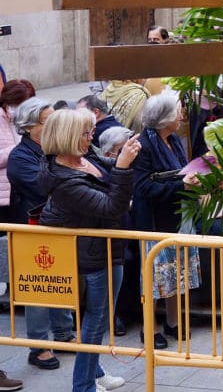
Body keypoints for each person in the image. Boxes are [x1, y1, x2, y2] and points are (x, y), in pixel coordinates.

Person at [39, 108, 142, 392]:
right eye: (87, 133)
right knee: (96, 319)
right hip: (93, 254)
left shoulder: (83, 158)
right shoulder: (63, 178)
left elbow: (111, 174)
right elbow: (112, 207)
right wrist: (123, 166)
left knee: (99, 317)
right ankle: (83, 385)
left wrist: (127, 156)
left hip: (106, 245)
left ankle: (94, 372)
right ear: (69, 136)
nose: (91, 137)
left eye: (91, 131)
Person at [132, 90, 202, 349]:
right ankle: (148, 328)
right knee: (153, 276)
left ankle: (173, 321)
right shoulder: (143, 145)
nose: (182, 114)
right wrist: (182, 185)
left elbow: (181, 172)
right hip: (154, 220)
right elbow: (142, 188)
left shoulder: (173, 139)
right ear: (165, 118)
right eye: (177, 111)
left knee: (178, 271)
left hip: (178, 215)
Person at [10, 98, 74, 370]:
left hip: (58, 223)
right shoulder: (20, 156)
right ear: (28, 126)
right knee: (37, 286)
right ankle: (38, 346)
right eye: (48, 122)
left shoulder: (53, 148)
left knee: (61, 280)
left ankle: (64, 333)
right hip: (32, 228)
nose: (54, 126)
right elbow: (45, 187)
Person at [0, 80, 36, 224]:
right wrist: (20, 149)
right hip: (4, 192)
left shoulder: (25, 120)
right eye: (17, 105)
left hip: (21, 189)